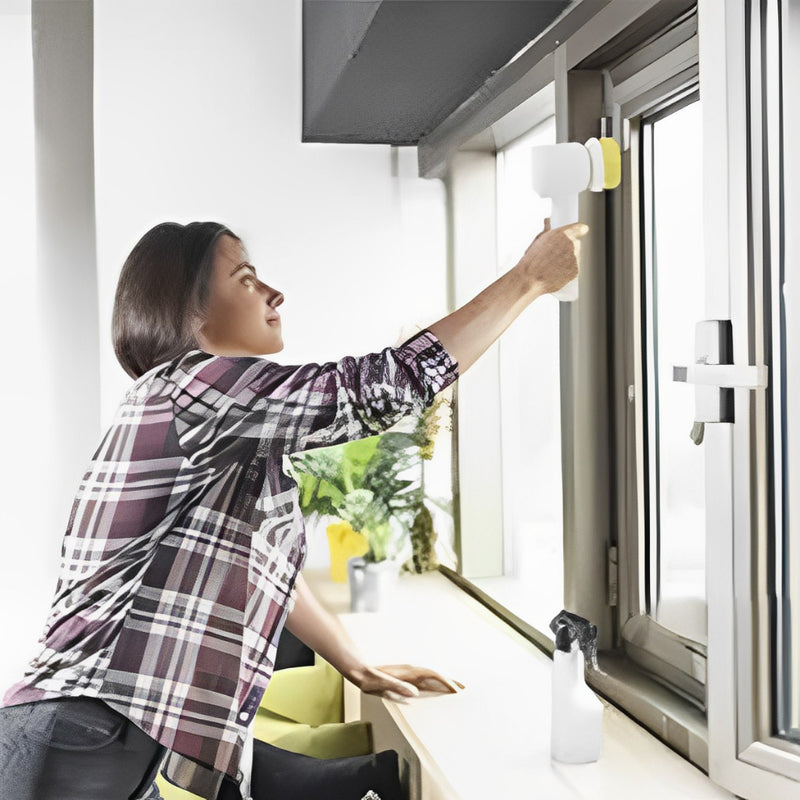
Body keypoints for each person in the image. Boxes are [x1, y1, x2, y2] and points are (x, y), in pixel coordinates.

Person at [0, 216, 588, 800]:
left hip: (99, 738)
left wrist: (355, 663)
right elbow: (384, 387)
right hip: (77, 736)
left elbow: (264, 567)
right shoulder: (188, 391)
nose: (272, 292)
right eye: (247, 279)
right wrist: (526, 280)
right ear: (190, 312)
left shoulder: (218, 424)